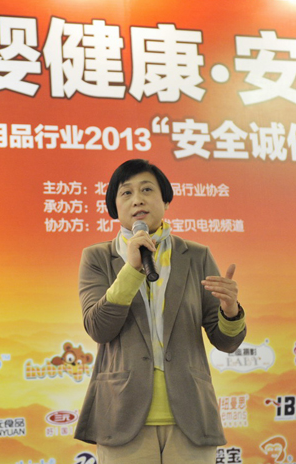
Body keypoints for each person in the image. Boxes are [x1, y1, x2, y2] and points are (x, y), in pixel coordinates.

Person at [74, 159, 246, 464]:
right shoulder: (97, 258)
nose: (137, 199)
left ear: (165, 200)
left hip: (191, 416)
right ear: (114, 208)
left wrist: (230, 311)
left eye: (147, 190)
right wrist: (131, 270)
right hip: (122, 416)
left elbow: (226, 342)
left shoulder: (196, 256)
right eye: (126, 193)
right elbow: (99, 327)